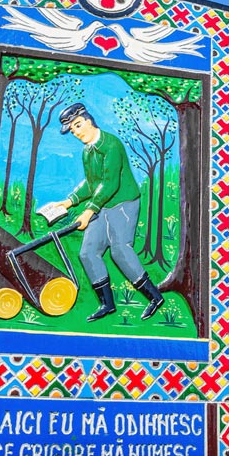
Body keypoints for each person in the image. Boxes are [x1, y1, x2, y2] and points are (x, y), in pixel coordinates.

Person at [51, 102, 164, 321]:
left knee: (120, 250)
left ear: (89, 120)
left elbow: (110, 183)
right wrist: (69, 201)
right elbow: (93, 183)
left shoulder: (111, 145)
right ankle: (107, 303)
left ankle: (154, 296)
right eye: (72, 130)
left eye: (78, 125)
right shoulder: (87, 151)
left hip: (123, 203)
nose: (76, 132)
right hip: (102, 204)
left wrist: (88, 211)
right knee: (88, 252)